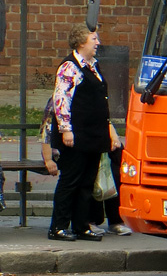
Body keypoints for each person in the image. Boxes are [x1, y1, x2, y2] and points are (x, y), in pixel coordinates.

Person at [47, 24, 121, 242]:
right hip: (75, 136)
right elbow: (61, 101)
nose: (98, 43)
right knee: (70, 181)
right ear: (81, 43)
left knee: (87, 183)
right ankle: (58, 226)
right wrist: (66, 130)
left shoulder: (92, 66)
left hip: (93, 136)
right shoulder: (69, 67)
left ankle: (81, 226)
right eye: (94, 39)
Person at [41, 97, 130, 235]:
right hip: (68, 148)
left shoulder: (91, 94)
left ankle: (116, 220)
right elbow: (47, 132)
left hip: (92, 143)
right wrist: (48, 160)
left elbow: (104, 120)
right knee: (87, 177)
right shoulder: (60, 98)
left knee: (114, 173)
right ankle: (88, 220)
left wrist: (114, 138)